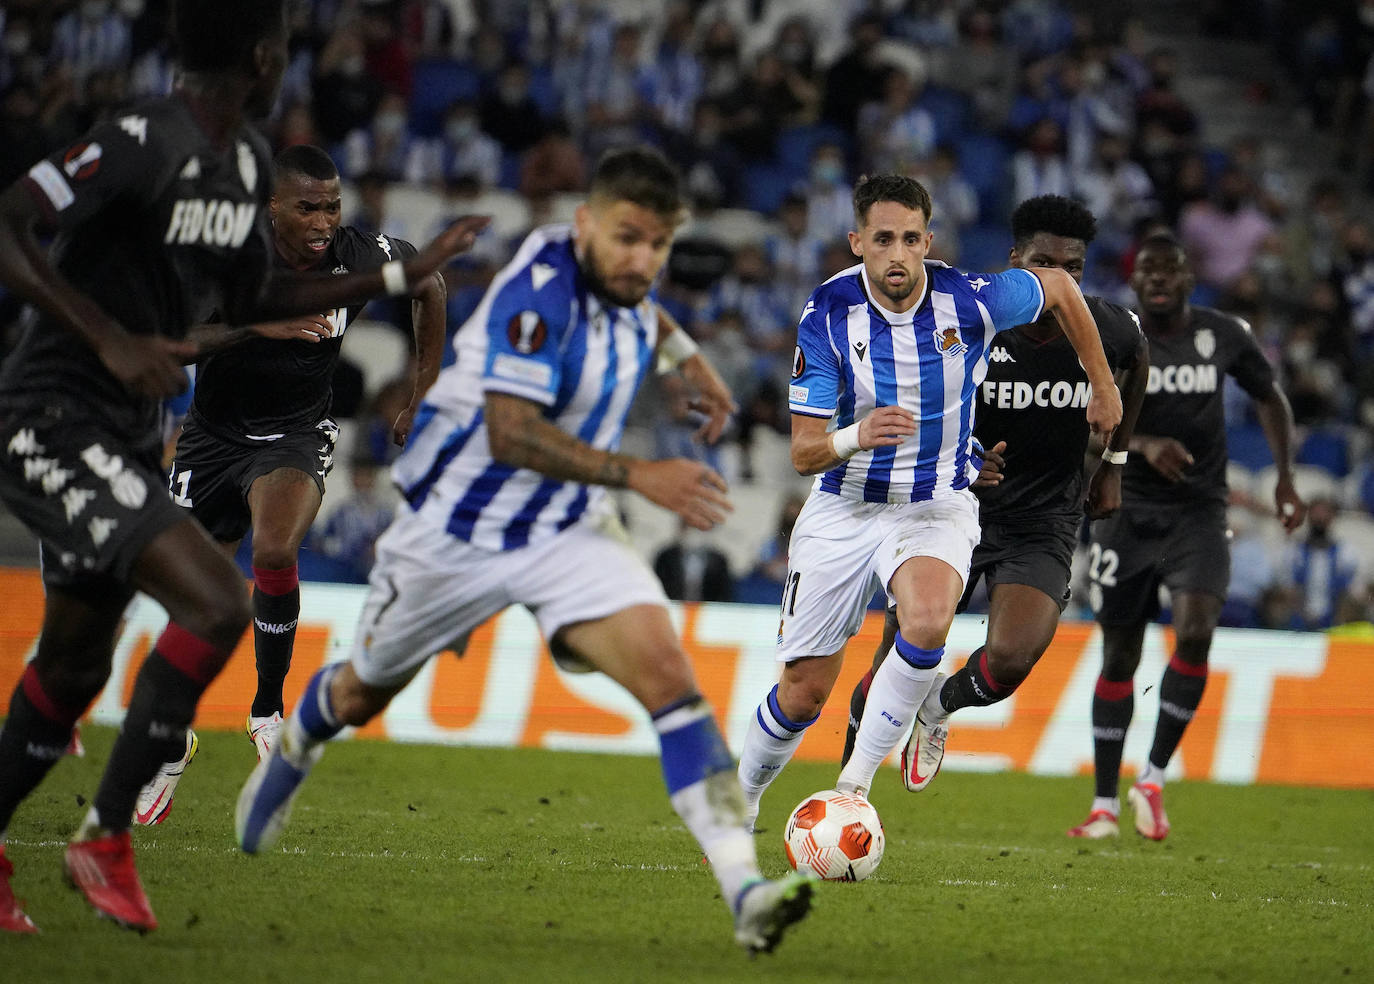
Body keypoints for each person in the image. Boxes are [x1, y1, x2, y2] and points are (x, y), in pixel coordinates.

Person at [234, 146, 815, 955]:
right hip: (455, 533)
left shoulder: (623, 282)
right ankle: (294, 743)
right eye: (627, 238)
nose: (641, 258)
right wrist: (637, 472)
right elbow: (509, 433)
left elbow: (643, 310)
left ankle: (744, 893)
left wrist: (689, 361)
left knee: (673, 683)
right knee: (363, 692)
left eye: (658, 244)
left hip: (565, 530)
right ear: (585, 227)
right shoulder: (540, 295)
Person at [0, 0, 485, 934]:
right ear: (263, 58)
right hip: (57, 413)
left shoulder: (251, 163)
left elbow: (260, 294)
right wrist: (110, 339)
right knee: (211, 604)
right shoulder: (140, 139)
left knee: (71, 667)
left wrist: (395, 277)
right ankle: (106, 830)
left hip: (146, 427)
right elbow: (9, 222)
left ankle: (92, 810)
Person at [734, 175, 1123, 826]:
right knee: (802, 695)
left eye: (910, 238)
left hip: (933, 504)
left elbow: (1059, 286)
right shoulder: (828, 314)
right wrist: (858, 434)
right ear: (857, 242)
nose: (897, 253)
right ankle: (737, 803)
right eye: (882, 239)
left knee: (926, 622)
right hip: (844, 508)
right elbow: (803, 454)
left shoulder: (970, 300)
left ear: (928, 241)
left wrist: (1101, 382)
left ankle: (852, 794)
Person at [132, 144, 448, 826]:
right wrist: (255, 325)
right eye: (307, 206)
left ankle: (268, 709)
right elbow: (171, 336)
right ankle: (173, 738)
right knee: (194, 596)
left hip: (296, 433)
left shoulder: (361, 255)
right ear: (269, 206)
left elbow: (430, 282)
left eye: (332, 205)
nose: (324, 219)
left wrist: (424, 386)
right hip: (211, 437)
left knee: (275, 550)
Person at [837, 195, 1150, 789]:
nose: (1058, 280)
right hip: (951, 505)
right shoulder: (965, 319)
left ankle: (938, 707)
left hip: (1045, 517)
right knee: (892, 661)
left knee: (1010, 659)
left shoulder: (1108, 328)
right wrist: (965, 457)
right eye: (1041, 264)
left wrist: (1114, 463)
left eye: (1073, 269)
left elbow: (1141, 361)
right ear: (1013, 262)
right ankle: (849, 796)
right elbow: (910, 403)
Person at [1069, 232, 1306, 842]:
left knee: (1197, 631)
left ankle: (1151, 776)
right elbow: (1080, 427)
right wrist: (1141, 445)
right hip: (1125, 508)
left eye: (1169, 271)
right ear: (1135, 281)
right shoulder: (1113, 338)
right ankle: (1102, 804)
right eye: (1147, 272)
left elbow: (1270, 397)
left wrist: (1283, 477)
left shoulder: (1224, 334)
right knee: (1120, 653)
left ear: (1187, 280)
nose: (1157, 281)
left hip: (1199, 512)